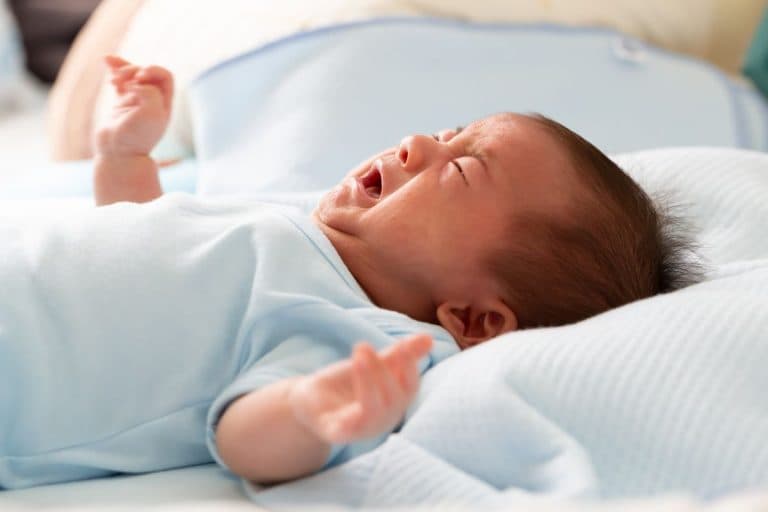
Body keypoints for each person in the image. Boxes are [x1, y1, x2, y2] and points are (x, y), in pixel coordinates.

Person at [0, 56, 696, 490]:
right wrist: (125, 162)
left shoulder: (354, 329)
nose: (418, 140)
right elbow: (141, 259)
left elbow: (244, 435)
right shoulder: (296, 227)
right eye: (451, 130)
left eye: (458, 166)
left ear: (475, 318)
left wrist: (311, 415)